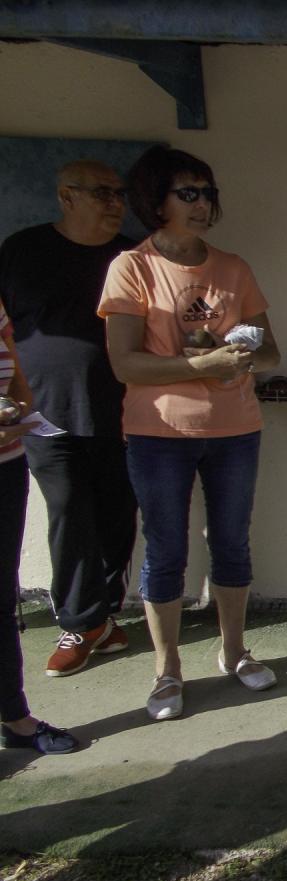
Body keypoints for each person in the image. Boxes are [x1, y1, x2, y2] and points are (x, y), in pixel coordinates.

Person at [100, 146, 281, 721]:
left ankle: (234, 653)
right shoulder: (132, 267)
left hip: (235, 428)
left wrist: (245, 356)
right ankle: (167, 671)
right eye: (189, 193)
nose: (203, 204)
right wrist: (200, 367)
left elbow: (272, 351)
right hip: (158, 432)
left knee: (231, 542)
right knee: (166, 550)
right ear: (157, 201)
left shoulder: (233, 268)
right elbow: (125, 364)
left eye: (207, 193)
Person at [0, 160, 137, 678]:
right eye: (102, 192)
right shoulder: (22, 250)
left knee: (116, 515)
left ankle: (103, 615)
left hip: (119, 410)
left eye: (119, 193)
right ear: (66, 197)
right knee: (68, 512)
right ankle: (78, 623)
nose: (114, 202)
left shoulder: (128, 256)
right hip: (42, 414)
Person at [0, 306, 78, 754]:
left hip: (5, 468)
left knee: (0, 602)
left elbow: (18, 387)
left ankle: (15, 719)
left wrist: (17, 411)